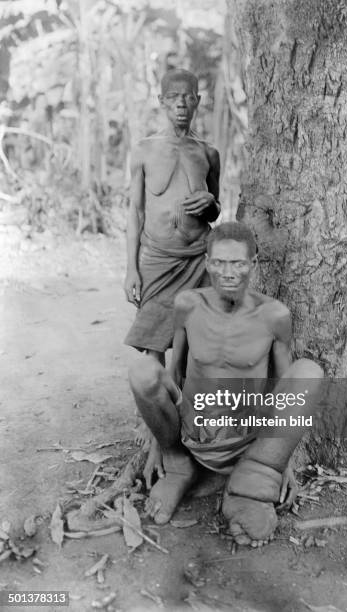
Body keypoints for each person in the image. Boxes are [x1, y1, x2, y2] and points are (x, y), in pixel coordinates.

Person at [128, 222, 323, 546]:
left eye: (237, 263)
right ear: (206, 262)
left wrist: (282, 460)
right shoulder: (188, 305)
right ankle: (179, 467)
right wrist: (157, 445)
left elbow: (283, 385)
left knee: (309, 373)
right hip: (194, 431)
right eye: (218, 262)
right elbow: (174, 375)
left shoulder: (275, 315)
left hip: (247, 438)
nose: (228, 273)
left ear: (253, 264)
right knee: (143, 371)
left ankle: (254, 480)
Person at [124, 68, 220, 361]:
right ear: (161, 101)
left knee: (195, 339)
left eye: (188, 97)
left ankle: (187, 399)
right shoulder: (143, 150)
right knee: (154, 344)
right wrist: (131, 269)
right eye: (173, 97)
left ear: (197, 101)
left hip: (198, 258)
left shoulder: (208, 153)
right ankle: (155, 401)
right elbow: (136, 213)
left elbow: (216, 210)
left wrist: (210, 201)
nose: (181, 104)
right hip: (157, 258)